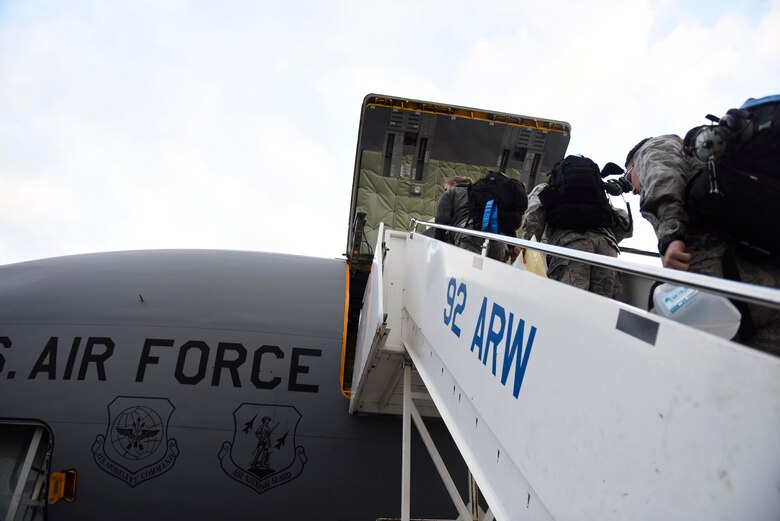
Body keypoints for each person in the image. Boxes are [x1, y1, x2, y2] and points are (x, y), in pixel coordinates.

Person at [625, 135, 780, 353]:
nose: (632, 190)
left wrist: (672, 236)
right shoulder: (700, 158)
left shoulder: (653, 147)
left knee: (683, 353)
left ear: (633, 164)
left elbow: (663, 181)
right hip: (764, 279)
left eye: (627, 175)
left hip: (721, 277)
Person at [521, 165, 633, 299]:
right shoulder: (596, 193)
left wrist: (526, 246)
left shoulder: (547, 188)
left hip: (571, 246)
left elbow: (533, 217)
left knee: (570, 303)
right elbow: (625, 224)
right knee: (602, 306)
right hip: (607, 247)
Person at [434, 175, 518, 261]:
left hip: (470, 235)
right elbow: (504, 217)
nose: (445, 190)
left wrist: (437, 247)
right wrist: (512, 247)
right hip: (497, 238)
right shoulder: (485, 192)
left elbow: (441, 222)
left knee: (468, 273)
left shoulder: (451, 193)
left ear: (453, 184)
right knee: (492, 273)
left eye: (445, 188)